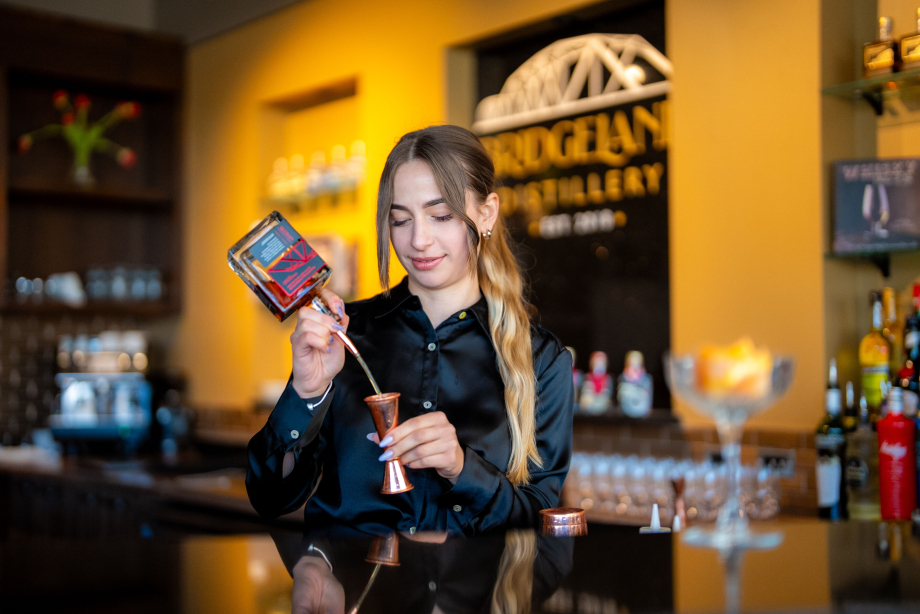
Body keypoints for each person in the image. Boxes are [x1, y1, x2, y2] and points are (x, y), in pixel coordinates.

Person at [246, 125, 574, 535]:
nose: (419, 240)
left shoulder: (542, 360)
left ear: (487, 213)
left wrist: (461, 467)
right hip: (355, 579)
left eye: (441, 216)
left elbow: (539, 523)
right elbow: (269, 498)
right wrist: (306, 394)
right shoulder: (344, 335)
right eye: (400, 220)